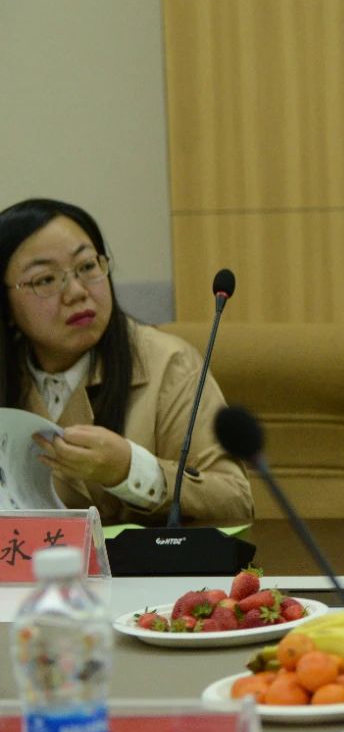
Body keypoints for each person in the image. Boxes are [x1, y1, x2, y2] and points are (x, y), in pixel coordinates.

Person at [0, 198, 253, 526]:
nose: (76, 292)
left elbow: (234, 501)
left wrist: (129, 470)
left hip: (136, 561)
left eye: (87, 267)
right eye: (45, 280)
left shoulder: (167, 364)